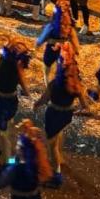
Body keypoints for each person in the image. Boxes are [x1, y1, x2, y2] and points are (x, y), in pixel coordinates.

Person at [33, 42, 87, 187]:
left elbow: (44, 99)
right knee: (58, 134)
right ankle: (60, 157)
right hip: (66, 115)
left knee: (52, 147)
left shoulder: (54, 85)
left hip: (54, 114)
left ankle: (56, 176)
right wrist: (74, 110)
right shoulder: (77, 85)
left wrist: (36, 105)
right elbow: (84, 106)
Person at [0, 39, 31, 164]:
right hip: (12, 101)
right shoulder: (18, 71)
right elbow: (26, 92)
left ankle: (8, 161)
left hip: (0, 102)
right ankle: (5, 151)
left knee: (3, 132)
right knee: (7, 127)